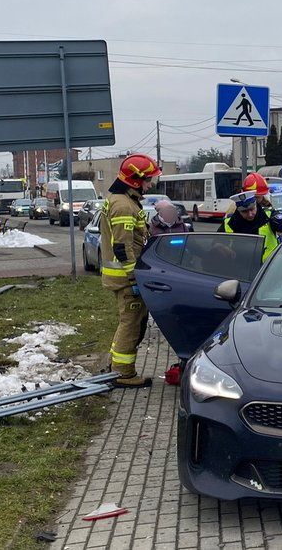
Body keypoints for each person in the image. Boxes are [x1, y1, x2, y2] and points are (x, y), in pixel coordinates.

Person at [99, 153, 162, 389]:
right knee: (131, 323)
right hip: (125, 279)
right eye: (148, 180)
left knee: (131, 322)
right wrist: (134, 276)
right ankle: (123, 372)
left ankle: (115, 365)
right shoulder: (123, 205)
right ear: (135, 180)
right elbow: (122, 246)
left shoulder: (123, 199)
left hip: (123, 276)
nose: (151, 184)